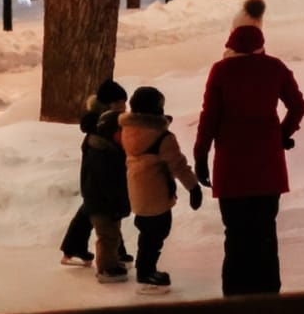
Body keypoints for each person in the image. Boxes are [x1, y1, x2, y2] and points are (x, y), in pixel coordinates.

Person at [194, 25, 304, 296]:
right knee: (265, 233)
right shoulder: (275, 67)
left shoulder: (220, 71)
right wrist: (281, 135)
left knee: (236, 235)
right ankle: (269, 292)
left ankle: (235, 294)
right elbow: (298, 106)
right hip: (268, 166)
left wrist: (200, 155)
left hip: (232, 168)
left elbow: (209, 117)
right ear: (261, 45)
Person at [121, 85, 203, 293]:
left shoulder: (129, 131)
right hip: (156, 195)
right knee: (157, 232)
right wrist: (194, 187)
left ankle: (144, 267)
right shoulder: (162, 138)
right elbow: (178, 165)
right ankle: (146, 271)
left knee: (147, 232)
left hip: (137, 191)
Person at [60, 79, 131, 268]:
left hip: (97, 177)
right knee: (102, 211)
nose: (124, 106)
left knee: (97, 210)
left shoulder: (106, 120)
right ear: (109, 104)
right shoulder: (102, 124)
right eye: (120, 102)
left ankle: (77, 248)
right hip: (99, 174)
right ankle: (107, 256)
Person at [81, 83, 133, 284]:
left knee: (111, 231)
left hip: (101, 194)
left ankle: (112, 261)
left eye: (124, 101)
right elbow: (105, 175)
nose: (124, 105)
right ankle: (106, 268)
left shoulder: (106, 130)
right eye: (119, 101)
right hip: (100, 195)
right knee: (107, 234)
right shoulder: (101, 141)